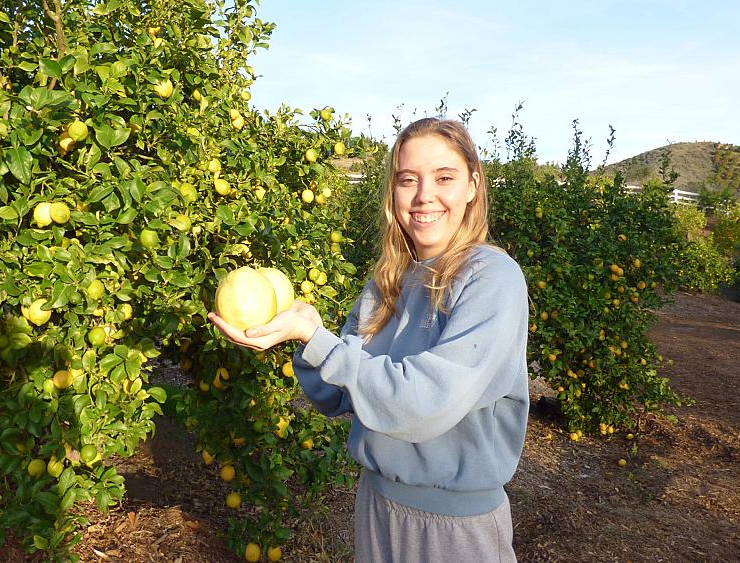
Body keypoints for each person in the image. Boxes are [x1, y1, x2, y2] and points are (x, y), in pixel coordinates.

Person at [209, 117, 529, 562]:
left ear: (473, 185)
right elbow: (338, 395)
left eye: (444, 178)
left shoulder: (492, 279)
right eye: (408, 179)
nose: (424, 196)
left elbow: (428, 402)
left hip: (454, 529)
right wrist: (300, 334)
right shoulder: (388, 282)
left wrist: (320, 342)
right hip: (377, 510)